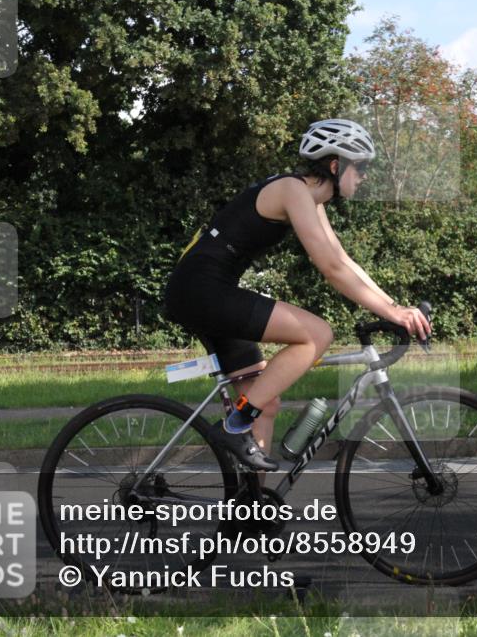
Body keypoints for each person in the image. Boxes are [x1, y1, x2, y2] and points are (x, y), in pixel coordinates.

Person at [164, 118, 431, 471]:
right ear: (336, 165)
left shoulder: (310, 200)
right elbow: (331, 270)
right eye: (360, 167)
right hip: (202, 290)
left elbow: (342, 260)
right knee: (317, 335)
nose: (364, 177)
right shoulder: (292, 191)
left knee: (265, 401)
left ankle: (247, 515)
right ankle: (234, 427)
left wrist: (395, 308)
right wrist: (394, 313)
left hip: (206, 290)